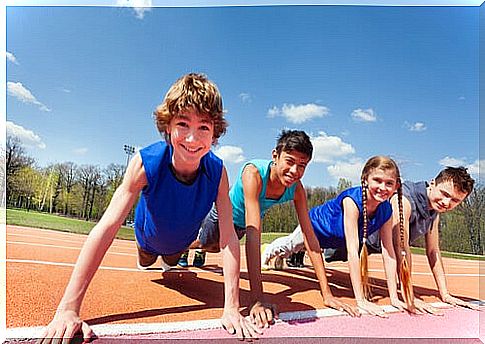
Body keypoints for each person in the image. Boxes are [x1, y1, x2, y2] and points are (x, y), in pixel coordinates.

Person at [39, 73, 260, 342]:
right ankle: (144, 251)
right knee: (147, 260)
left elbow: (228, 238)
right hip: (147, 239)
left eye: (203, 127)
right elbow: (107, 227)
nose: (192, 139)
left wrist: (232, 309)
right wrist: (68, 309)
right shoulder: (145, 163)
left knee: (170, 262)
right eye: (183, 124)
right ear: (168, 126)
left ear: (215, 132)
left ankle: (171, 258)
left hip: (179, 244)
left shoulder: (218, 172)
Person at [194, 130, 359, 329]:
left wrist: (328, 294)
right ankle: (181, 244)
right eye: (289, 161)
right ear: (275, 155)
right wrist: (257, 299)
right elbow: (254, 233)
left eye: (302, 165)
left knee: (213, 248)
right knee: (205, 245)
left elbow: (310, 238)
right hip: (222, 217)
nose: (294, 171)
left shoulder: (296, 189)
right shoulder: (253, 173)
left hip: (241, 227)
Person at [263, 156, 402, 317]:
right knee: (290, 246)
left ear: (396, 186)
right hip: (315, 226)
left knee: (292, 250)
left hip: (334, 240)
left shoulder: (387, 211)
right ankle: (268, 250)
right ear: (365, 179)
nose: (382, 187)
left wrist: (394, 297)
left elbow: (388, 251)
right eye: (377, 180)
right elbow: (352, 251)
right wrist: (361, 300)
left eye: (389, 183)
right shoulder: (352, 201)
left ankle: (282, 256)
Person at [370, 166, 479, 314]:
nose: (446, 202)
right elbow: (400, 246)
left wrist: (445, 293)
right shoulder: (404, 200)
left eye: (455, 200)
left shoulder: (435, 210)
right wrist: (409, 294)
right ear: (433, 183)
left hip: (373, 246)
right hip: (347, 238)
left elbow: (433, 251)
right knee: (327, 253)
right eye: (444, 194)